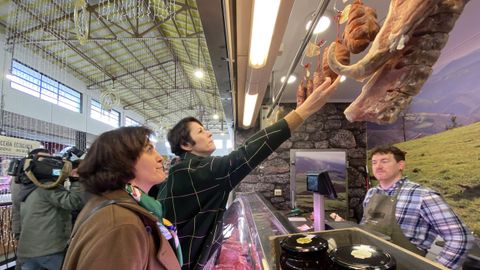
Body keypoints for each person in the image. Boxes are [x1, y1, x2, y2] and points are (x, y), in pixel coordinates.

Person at [158, 77, 340, 269]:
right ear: (186, 145)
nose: (209, 133)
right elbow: (246, 153)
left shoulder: (181, 171)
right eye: (201, 131)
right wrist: (303, 112)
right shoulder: (193, 171)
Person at [62, 126, 182, 270]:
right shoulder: (122, 224)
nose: (160, 158)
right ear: (122, 161)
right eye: (149, 150)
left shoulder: (119, 204)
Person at [361, 145, 473, 269]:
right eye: (374, 162)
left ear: (401, 165)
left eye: (384, 161)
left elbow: (460, 237)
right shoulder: (371, 193)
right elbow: (366, 226)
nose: (378, 166)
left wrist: (435, 267)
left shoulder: (423, 195)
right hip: (368, 263)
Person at [16, 148, 84, 270]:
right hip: (49, 250)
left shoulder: (24, 186)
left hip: (27, 250)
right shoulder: (46, 187)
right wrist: (76, 180)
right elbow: (74, 202)